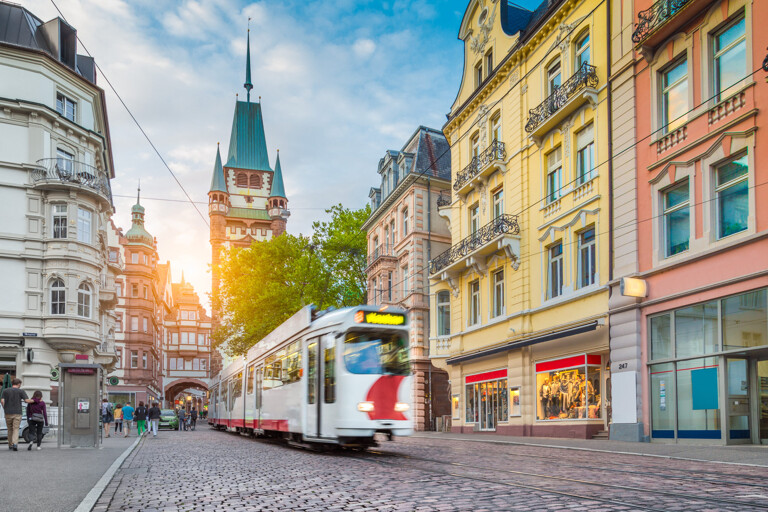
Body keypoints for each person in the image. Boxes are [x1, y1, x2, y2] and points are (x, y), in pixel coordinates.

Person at [1, 378, 33, 451]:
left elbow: (2, 401)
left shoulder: (5, 391)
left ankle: (10, 444)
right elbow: (26, 400)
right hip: (17, 413)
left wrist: (5, 408)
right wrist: (34, 400)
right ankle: (15, 444)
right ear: (19, 384)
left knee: (9, 429)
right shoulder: (21, 391)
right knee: (16, 429)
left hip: (8, 413)